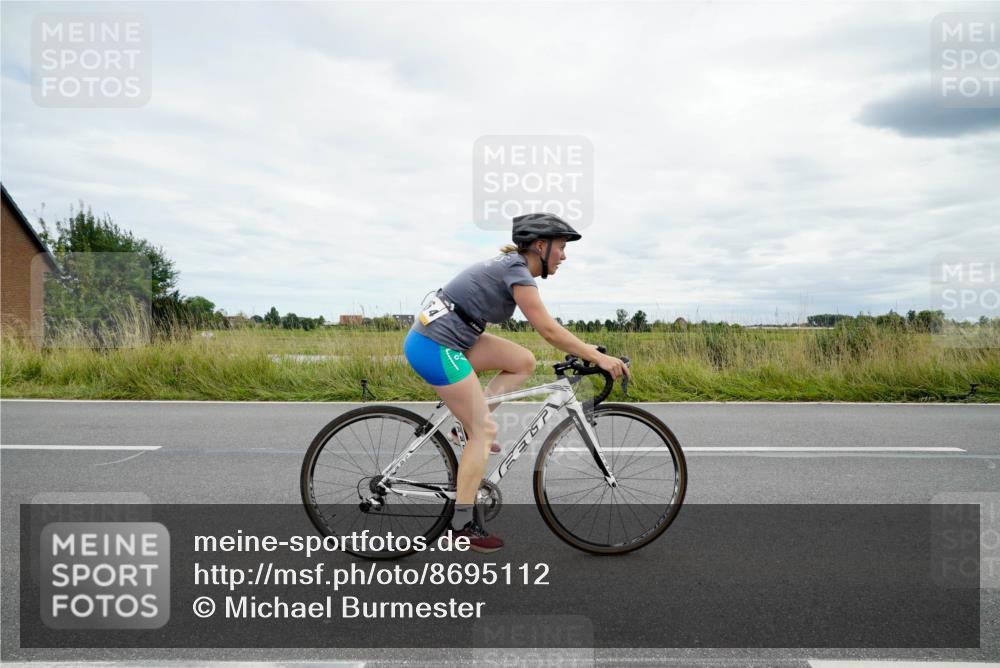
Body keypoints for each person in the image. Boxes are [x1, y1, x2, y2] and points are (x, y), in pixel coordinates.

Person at [402, 212, 630, 553]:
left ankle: (464, 429)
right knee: (484, 431)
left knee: (522, 361)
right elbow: (548, 328)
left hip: (452, 339)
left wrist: (585, 349)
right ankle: (461, 523)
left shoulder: (512, 265)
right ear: (541, 246)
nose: (564, 256)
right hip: (434, 345)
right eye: (562, 248)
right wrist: (597, 358)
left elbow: (548, 330)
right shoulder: (515, 270)